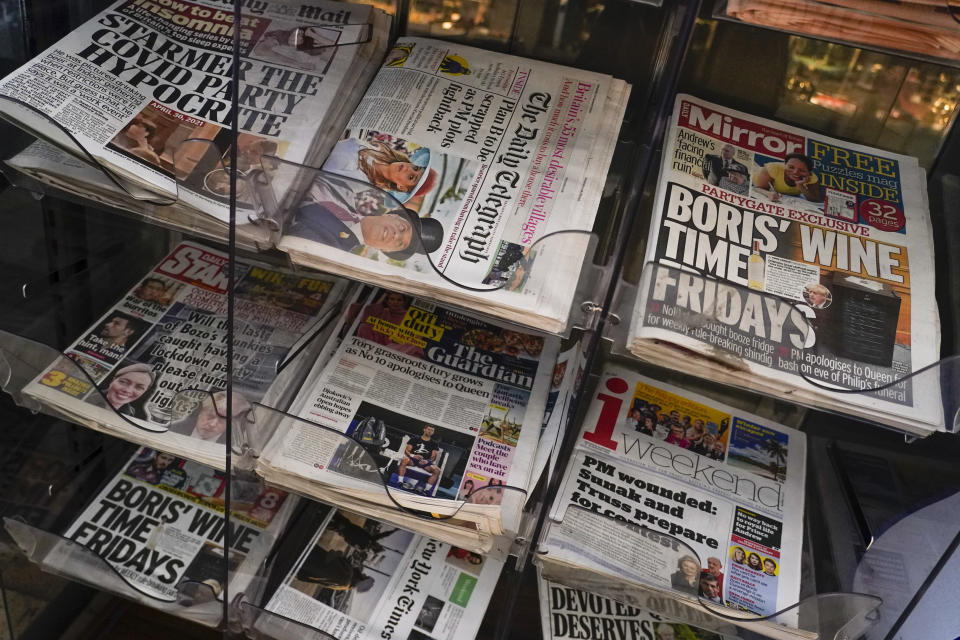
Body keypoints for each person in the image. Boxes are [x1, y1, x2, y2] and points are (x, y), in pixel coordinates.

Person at [287, 201, 444, 261]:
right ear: (393, 215)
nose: (397, 235)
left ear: (386, 250)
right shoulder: (349, 195)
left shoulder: (334, 248)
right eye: (403, 228)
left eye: (400, 243)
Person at [168, 392, 252, 444]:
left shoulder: (234, 444)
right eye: (210, 416)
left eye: (223, 420)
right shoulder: (174, 428)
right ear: (199, 413)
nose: (212, 424)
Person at [356, 291, 423, 356]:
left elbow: (418, 335)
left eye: (399, 300)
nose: (395, 302)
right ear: (387, 301)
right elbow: (366, 317)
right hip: (380, 343)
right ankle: (372, 351)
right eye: (392, 299)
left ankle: (386, 352)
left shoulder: (409, 315)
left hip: (398, 345)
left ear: (404, 302)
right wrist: (385, 294)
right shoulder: (384, 311)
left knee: (415, 341)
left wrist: (398, 338)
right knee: (364, 327)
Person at [753, 153, 823, 203]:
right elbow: (757, 188)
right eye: (791, 167)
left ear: (809, 173)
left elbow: (816, 199)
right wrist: (768, 193)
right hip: (755, 174)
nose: (795, 172)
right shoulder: (773, 168)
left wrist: (800, 186)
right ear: (785, 165)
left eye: (802, 170)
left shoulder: (811, 178)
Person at [397, 425, 441, 495]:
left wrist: (428, 461)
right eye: (429, 429)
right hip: (413, 459)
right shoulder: (415, 438)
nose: (430, 431)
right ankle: (400, 482)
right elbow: (407, 451)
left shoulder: (434, 443)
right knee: (404, 460)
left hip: (425, 462)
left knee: (437, 470)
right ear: (424, 429)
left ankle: (426, 490)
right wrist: (413, 455)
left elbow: (433, 457)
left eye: (432, 430)